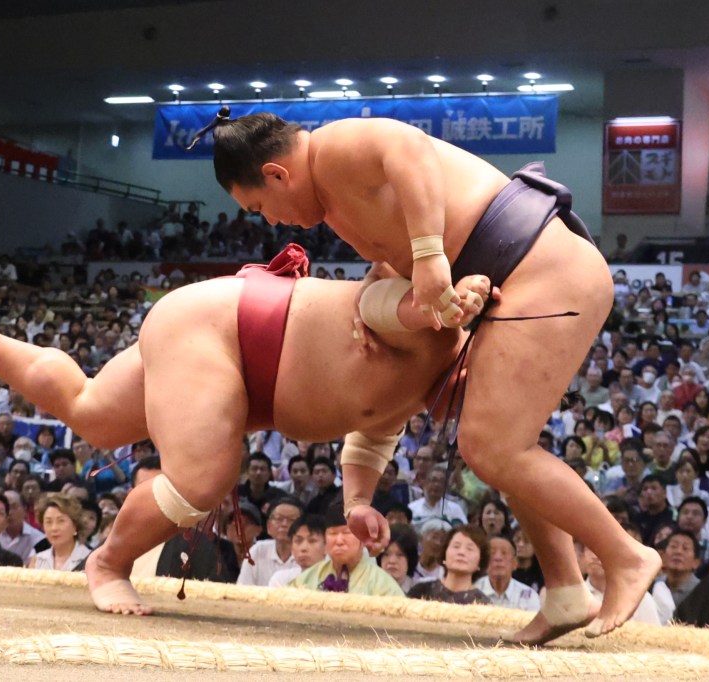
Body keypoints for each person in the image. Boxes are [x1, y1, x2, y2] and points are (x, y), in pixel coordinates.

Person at [211, 112, 665, 641]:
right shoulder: (335, 203)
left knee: (493, 446)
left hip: (541, 267)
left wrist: (429, 257)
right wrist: (377, 295)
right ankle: (566, 590)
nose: (271, 222)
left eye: (260, 207)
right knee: (495, 443)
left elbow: (410, 151)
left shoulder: (333, 147)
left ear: (276, 174)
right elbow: (391, 260)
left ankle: (625, 556)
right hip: (511, 279)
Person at [0, 248, 488, 615]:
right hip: (229, 333)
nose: (458, 413)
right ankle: (109, 564)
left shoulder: (417, 389)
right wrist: (441, 298)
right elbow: (387, 286)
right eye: (473, 395)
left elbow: (370, 438)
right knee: (204, 475)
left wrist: (357, 502)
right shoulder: (432, 328)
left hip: (214, 321)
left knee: (91, 410)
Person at [289, 504, 404, 597]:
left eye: (346, 533)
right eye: (332, 533)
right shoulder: (308, 577)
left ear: (363, 539)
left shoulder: (382, 584)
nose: (339, 541)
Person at [408, 525, 490, 605]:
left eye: (469, 549)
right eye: (456, 546)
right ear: (444, 554)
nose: (461, 552)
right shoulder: (420, 591)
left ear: (480, 561)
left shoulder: (483, 605)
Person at [237, 496, 302, 586]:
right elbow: (243, 588)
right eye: (279, 518)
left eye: (291, 520)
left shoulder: (308, 554)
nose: (284, 524)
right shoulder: (257, 550)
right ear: (268, 526)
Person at [476, 534, 542, 611]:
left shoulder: (530, 596)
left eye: (504, 553)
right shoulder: (471, 591)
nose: (498, 558)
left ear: (515, 563)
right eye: (492, 553)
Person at [650, 530, 702, 624]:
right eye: (673, 546)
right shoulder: (651, 586)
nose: (678, 552)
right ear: (663, 557)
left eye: (685, 548)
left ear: (696, 562)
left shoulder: (701, 591)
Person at [30, 494, 91, 571]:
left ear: (75, 525)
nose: (54, 528)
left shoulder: (90, 559)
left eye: (61, 521)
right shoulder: (37, 560)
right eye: (48, 522)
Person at [268, 513, 327, 588]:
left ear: (327, 546)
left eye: (312, 541)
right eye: (298, 541)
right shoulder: (281, 579)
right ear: (291, 548)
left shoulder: (337, 579)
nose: (303, 548)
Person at [376, 524, 419, 594]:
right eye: (386, 554)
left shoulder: (419, 591)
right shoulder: (370, 589)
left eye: (400, 555)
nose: (392, 561)